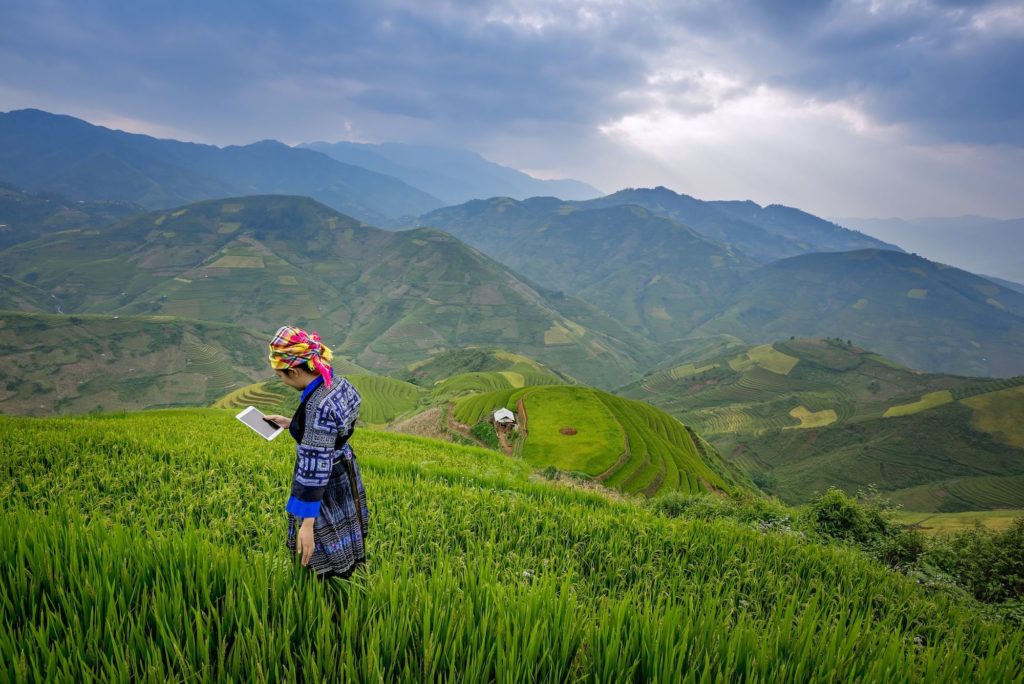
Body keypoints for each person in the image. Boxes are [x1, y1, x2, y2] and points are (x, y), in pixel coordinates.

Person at [264, 325, 368, 580]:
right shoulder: (337, 383)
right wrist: (294, 423)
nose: (283, 382)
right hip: (345, 468)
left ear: (294, 371)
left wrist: (306, 524)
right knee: (346, 526)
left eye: (282, 377)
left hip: (325, 482)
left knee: (319, 539)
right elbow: (336, 428)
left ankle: (325, 582)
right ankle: (347, 569)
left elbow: (313, 472)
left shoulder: (317, 406)